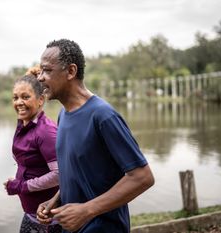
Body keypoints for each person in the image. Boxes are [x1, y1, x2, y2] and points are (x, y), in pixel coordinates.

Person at [36, 39, 155, 233]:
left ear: (71, 71)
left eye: (47, 70)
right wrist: (54, 201)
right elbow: (77, 173)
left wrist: (86, 210)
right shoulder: (63, 115)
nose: (40, 77)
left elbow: (142, 177)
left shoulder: (103, 116)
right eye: (40, 71)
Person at [4, 67, 62, 233]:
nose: (19, 102)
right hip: (30, 214)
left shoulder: (45, 131)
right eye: (15, 98)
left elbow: (60, 174)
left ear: (41, 100)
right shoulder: (25, 122)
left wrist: (22, 186)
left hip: (49, 221)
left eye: (25, 97)